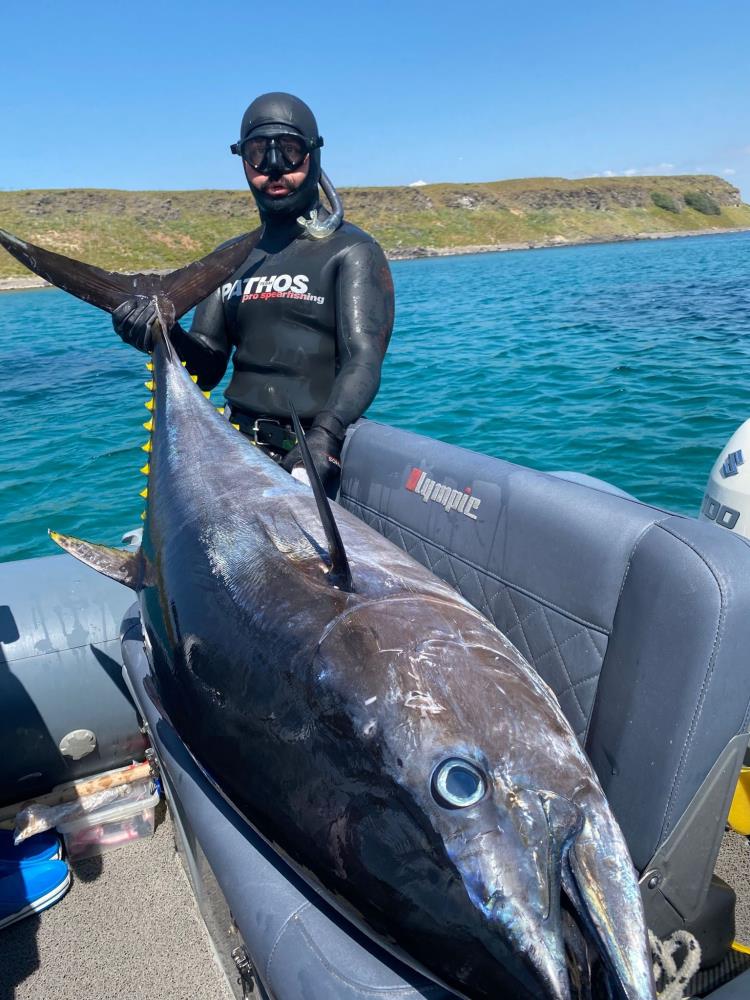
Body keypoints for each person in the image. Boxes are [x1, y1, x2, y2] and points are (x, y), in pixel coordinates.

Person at [112, 92, 395, 497]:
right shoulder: (229, 259)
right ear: (243, 160)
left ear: (314, 155)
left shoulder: (351, 250)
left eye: (291, 151)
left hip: (308, 457)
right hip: (233, 453)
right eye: (259, 153)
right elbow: (208, 366)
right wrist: (163, 334)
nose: (274, 169)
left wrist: (326, 436)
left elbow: (363, 358)